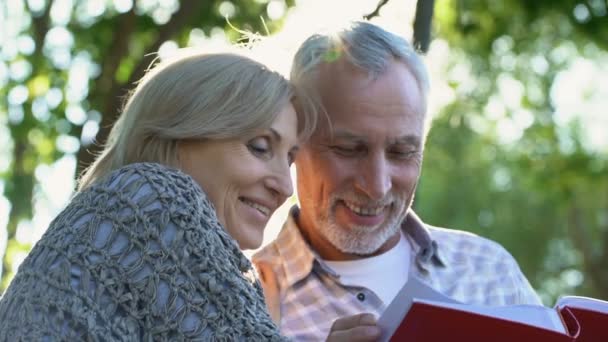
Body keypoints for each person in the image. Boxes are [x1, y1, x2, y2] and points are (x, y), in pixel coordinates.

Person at [0, 49, 378, 341]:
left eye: (290, 160)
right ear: (180, 136)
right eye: (260, 147)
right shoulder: (152, 199)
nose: (285, 186)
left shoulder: (113, 227)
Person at [253, 21, 543, 340]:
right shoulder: (244, 297)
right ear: (294, 146)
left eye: (402, 152)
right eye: (349, 150)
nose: (377, 186)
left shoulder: (490, 270)